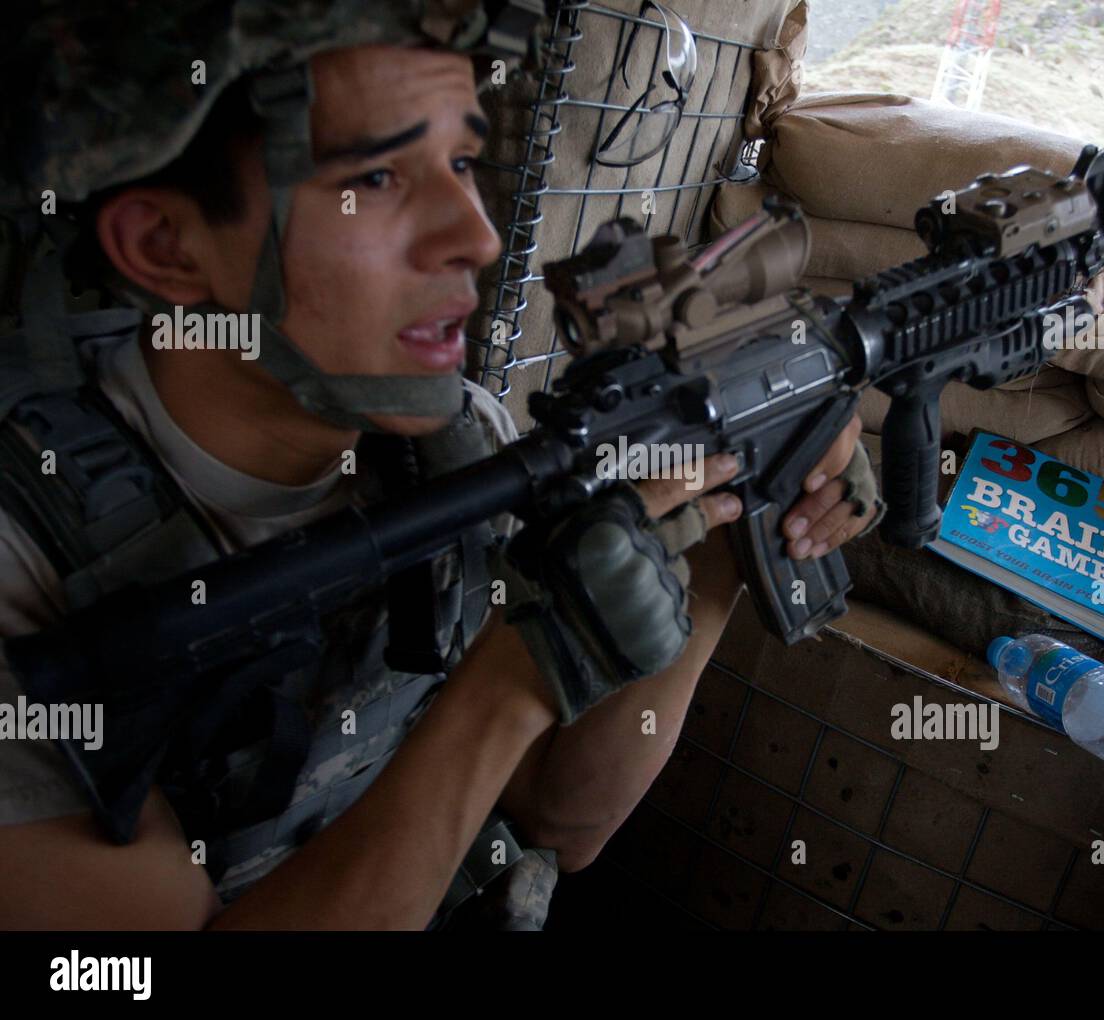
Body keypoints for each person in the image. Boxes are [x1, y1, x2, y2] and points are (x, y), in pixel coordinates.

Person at [0, 0, 879, 930]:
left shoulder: (453, 442)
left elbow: (565, 820)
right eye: (375, 177)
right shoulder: (28, 557)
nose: (477, 236)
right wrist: (512, 681)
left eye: (460, 163)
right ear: (164, 247)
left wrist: (733, 504)